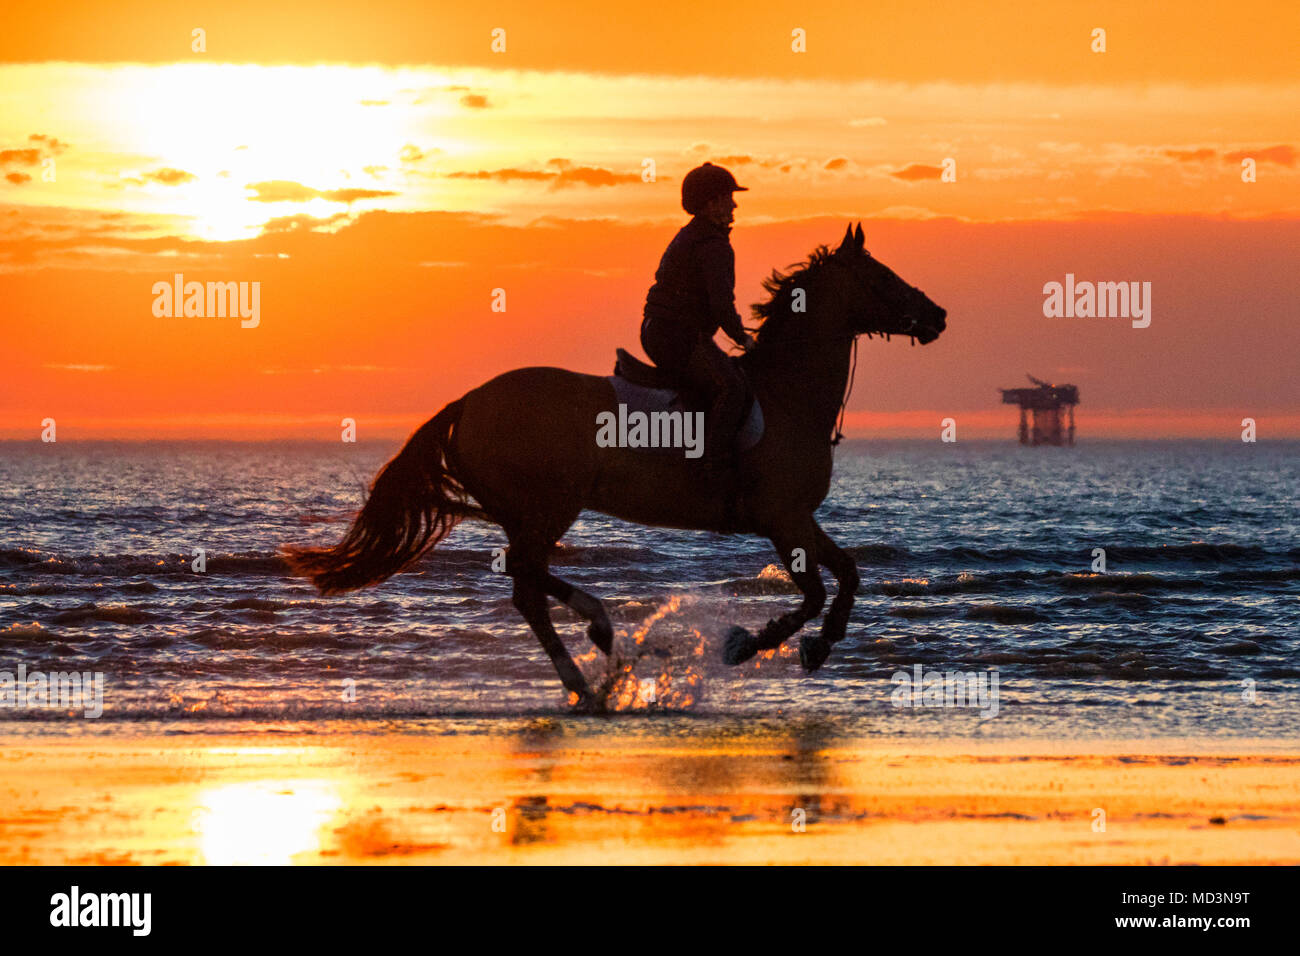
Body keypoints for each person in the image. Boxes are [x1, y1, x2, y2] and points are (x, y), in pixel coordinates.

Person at [641, 162, 755, 467]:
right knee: (732, 388)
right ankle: (710, 467)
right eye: (729, 197)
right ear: (712, 202)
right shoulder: (713, 245)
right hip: (677, 335)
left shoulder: (690, 236)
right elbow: (721, 304)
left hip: (661, 330)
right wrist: (743, 337)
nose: (734, 204)